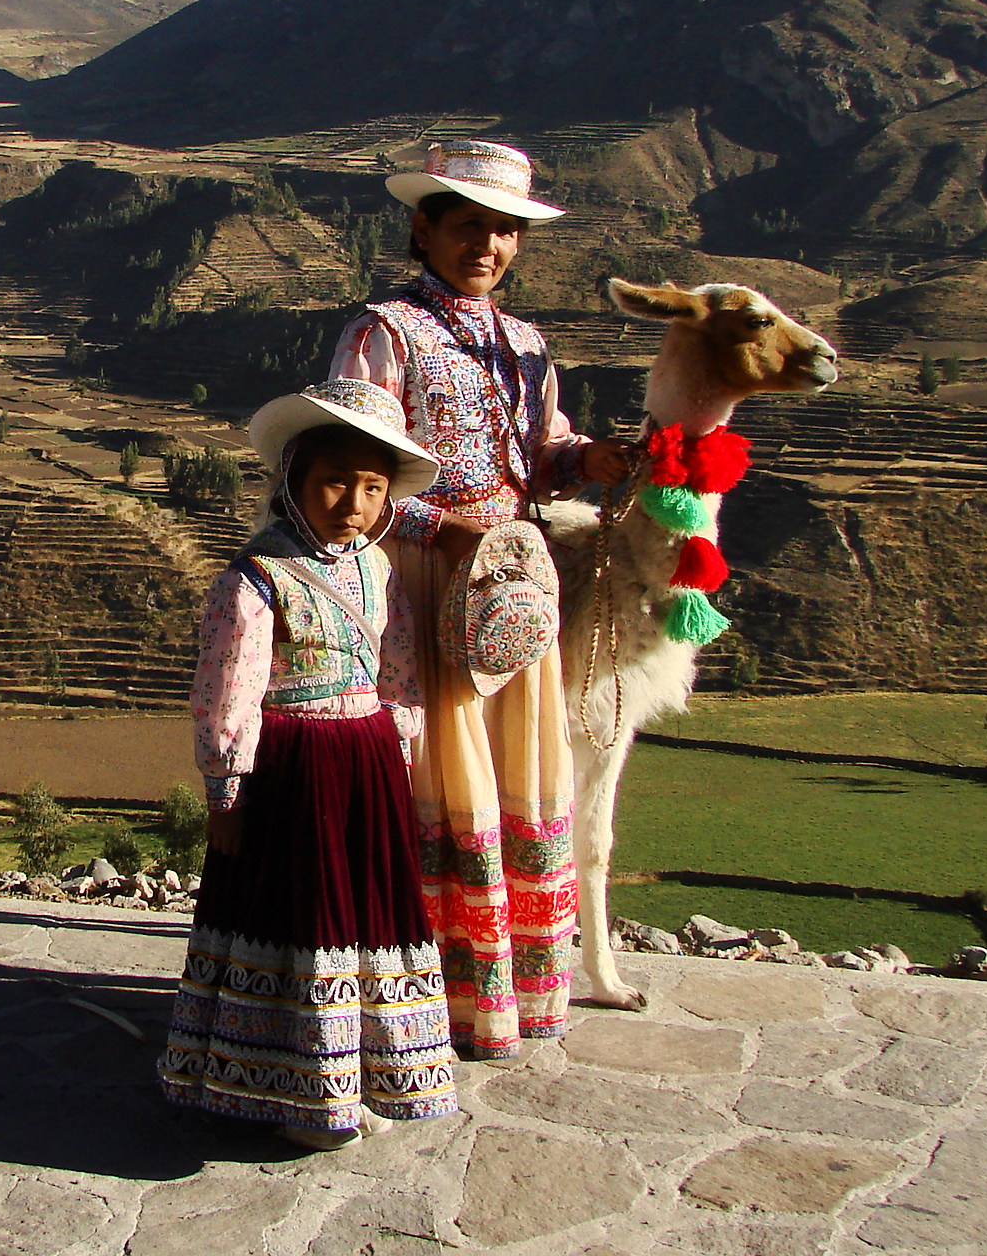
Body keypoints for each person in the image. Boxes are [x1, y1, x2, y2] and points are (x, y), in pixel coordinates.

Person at [328, 139, 634, 1060]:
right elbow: (350, 466)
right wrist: (437, 530)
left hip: (508, 587)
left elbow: (541, 454)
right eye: (470, 225)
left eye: (505, 229)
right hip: (420, 584)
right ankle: (413, 989)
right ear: (424, 228)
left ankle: (495, 996)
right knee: (434, 774)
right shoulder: (383, 333)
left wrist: (590, 463)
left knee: (505, 775)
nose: (489, 244)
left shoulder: (528, 347)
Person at [158, 378, 459, 1151]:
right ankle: (298, 1089)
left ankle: (364, 1073)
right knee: (300, 915)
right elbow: (230, 693)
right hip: (292, 771)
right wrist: (227, 794)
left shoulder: (378, 570)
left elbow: (396, 668)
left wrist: (400, 744)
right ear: (292, 480)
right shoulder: (253, 581)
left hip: (364, 762)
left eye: (370, 487)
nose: (352, 504)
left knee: (365, 916)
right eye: (333, 481)